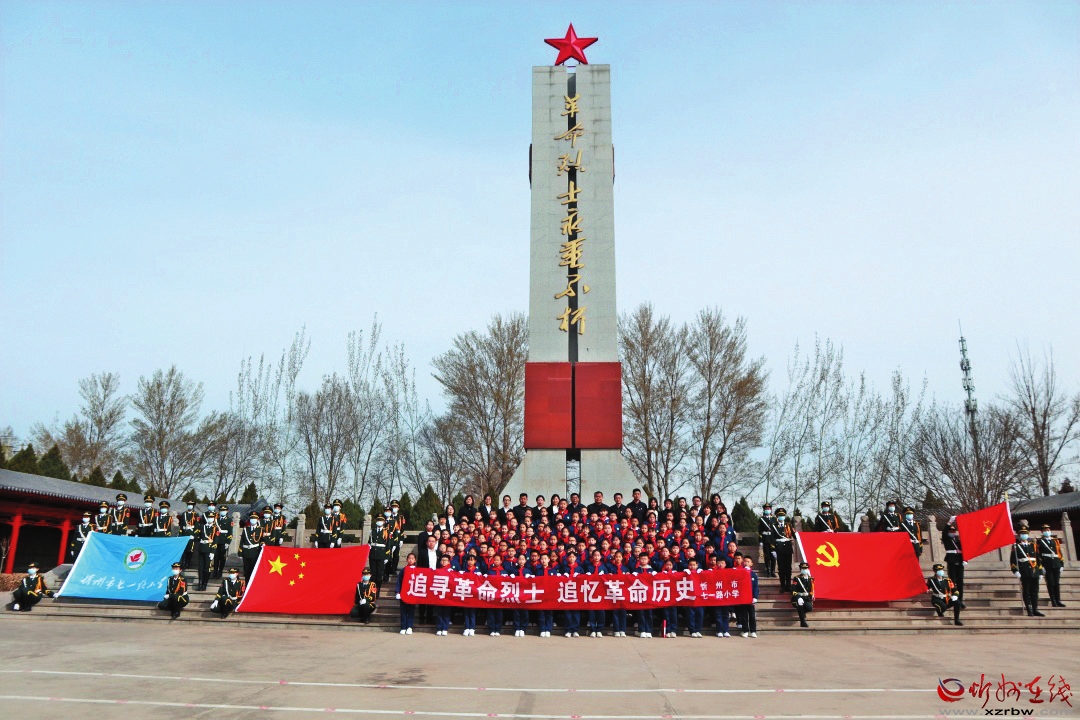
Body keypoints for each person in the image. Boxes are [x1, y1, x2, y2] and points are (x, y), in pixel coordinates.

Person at [1010, 524, 1044, 617]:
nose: (1024, 535)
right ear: (1019, 535)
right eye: (1022, 534)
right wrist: (1015, 571)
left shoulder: (1033, 546)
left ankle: (1035, 609)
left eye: (1025, 533)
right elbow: (1013, 560)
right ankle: (1029, 609)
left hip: (1034, 571)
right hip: (1024, 572)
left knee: (1035, 591)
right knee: (1027, 591)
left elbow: (1038, 559)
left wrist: (1040, 572)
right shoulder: (1016, 546)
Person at [1037, 524, 1065, 607]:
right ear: (1042, 532)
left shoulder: (1055, 541)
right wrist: (1041, 566)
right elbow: (1038, 555)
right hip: (1047, 564)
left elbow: (1059, 552)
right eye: (1045, 530)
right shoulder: (1040, 542)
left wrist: (1061, 564)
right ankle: (1053, 600)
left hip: (1056, 563)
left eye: (1048, 530)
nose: (1047, 531)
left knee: (1057, 583)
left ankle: (1058, 600)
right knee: (1051, 582)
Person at [941, 518, 966, 608]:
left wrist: (965, 560)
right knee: (952, 581)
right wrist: (949, 522)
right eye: (950, 531)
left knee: (960, 582)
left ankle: (960, 599)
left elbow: (965, 550)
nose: (952, 532)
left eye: (953, 531)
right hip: (951, 560)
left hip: (960, 561)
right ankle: (953, 598)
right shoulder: (946, 539)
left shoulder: (958, 540)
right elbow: (944, 532)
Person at [193, 510, 219, 591]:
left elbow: (215, 540)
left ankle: (204, 584)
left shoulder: (215, 528)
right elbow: (197, 536)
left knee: (207, 568)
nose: (210, 519)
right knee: (200, 568)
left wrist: (213, 552)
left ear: (214, 519)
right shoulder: (202, 526)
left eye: (212, 517)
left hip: (209, 549)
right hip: (201, 548)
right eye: (209, 517)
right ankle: (200, 584)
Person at [239, 511, 266, 583]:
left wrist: (262, 544)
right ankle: (247, 584)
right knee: (246, 570)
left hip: (254, 552)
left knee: (252, 569)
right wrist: (240, 552)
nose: (253, 520)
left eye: (254, 518)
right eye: (251, 518)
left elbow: (262, 539)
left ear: (257, 520)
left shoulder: (260, 529)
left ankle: (251, 584)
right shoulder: (245, 529)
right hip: (246, 551)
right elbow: (242, 540)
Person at [368, 513, 393, 591]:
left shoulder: (386, 531)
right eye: (378, 520)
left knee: (379, 574)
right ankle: (372, 589)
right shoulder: (372, 531)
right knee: (373, 573)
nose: (379, 522)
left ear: (384, 522)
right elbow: (369, 542)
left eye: (381, 520)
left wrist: (387, 556)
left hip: (381, 555)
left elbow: (388, 544)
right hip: (373, 554)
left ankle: (377, 589)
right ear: (376, 521)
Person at [633, 552, 655, 638]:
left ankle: (649, 630)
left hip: (649, 595)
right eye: (642, 559)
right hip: (640, 595)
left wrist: (655, 575)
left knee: (649, 613)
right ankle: (642, 630)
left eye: (645, 559)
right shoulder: (636, 570)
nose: (643, 560)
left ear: (648, 560)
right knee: (641, 613)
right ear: (639, 559)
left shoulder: (651, 570)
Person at [395, 552, 417, 634]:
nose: (411, 560)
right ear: (407, 559)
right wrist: (397, 592)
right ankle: (403, 627)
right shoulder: (403, 570)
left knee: (411, 611)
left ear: (415, 560)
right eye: (409, 558)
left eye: (412, 558)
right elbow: (399, 582)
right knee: (403, 611)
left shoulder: (417, 570)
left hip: (413, 594)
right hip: (404, 593)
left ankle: (409, 626)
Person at [773, 508, 794, 592]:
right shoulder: (774, 526)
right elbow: (772, 538)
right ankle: (782, 585)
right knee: (781, 568)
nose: (781, 517)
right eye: (780, 515)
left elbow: (794, 535)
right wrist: (773, 549)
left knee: (788, 568)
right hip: (779, 548)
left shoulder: (789, 525)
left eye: (783, 515)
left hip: (788, 548)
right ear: (777, 517)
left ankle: (788, 585)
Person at [738, 556, 760, 638]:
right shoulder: (740, 573)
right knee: (744, 615)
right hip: (743, 598)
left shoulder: (753, 574)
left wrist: (755, 597)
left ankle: (753, 631)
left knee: (752, 616)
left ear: (751, 564)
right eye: (745, 561)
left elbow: (756, 587)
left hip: (751, 598)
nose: (746, 563)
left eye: (748, 561)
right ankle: (745, 630)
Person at [434, 555, 454, 635]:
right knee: (439, 613)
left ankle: (445, 628)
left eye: (445, 560)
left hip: (448, 595)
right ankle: (439, 628)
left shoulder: (451, 571)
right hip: (439, 594)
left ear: (448, 562)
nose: (443, 562)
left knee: (446, 613)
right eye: (442, 560)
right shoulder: (437, 570)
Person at [212, 506, 234, 578]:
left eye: (224, 510)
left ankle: (220, 571)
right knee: (216, 557)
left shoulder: (229, 520)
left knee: (222, 558)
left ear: (227, 511)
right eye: (221, 510)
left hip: (224, 542)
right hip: (216, 541)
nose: (222, 511)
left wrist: (228, 542)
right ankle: (215, 571)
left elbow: (230, 533)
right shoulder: (216, 520)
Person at [757, 503, 777, 577]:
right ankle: (768, 571)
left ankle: (773, 571)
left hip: (773, 539)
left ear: (771, 509)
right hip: (765, 539)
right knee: (767, 556)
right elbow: (760, 531)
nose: (767, 510)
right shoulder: (761, 519)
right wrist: (760, 540)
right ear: (764, 510)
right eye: (766, 509)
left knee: (773, 556)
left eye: (768, 508)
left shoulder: (774, 519)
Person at [792, 562, 814, 628]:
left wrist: (811, 596)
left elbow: (811, 589)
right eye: (803, 569)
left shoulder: (811, 579)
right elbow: (794, 589)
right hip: (798, 597)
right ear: (800, 569)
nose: (804, 570)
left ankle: (802, 612)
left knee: (809, 608)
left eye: (805, 568)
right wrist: (798, 597)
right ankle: (802, 622)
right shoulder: (797, 578)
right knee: (800, 601)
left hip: (806, 597)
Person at [179, 501, 199, 570]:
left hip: (191, 533)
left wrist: (194, 535)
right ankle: (183, 563)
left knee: (190, 550)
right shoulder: (184, 514)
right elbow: (181, 525)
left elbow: (197, 525)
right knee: (184, 549)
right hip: (184, 533)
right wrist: (180, 534)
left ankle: (188, 563)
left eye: (191, 505)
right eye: (188, 504)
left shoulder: (196, 514)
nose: (190, 506)